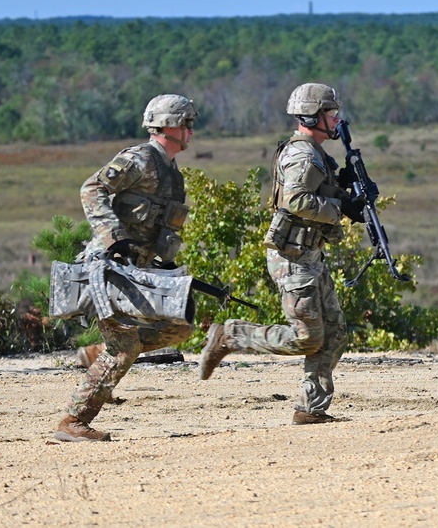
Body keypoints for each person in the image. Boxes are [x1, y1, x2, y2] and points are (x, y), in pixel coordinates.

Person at [198, 82, 365, 425]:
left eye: (335, 114)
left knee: (333, 334)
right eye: (330, 114)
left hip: (310, 254)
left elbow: (316, 193)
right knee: (307, 338)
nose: (336, 120)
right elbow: (296, 200)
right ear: (311, 117)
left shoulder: (316, 153)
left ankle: (310, 409)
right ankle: (229, 335)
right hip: (292, 258)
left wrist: (346, 191)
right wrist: (341, 207)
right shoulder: (302, 155)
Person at [54, 93, 198, 442]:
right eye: (187, 123)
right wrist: (112, 238)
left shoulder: (171, 172)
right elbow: (92, 188)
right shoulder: (141, 159)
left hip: (139, 272)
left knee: (177, 328)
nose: (192, 131)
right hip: (109, 269)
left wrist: (164, 263)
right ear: (168, 126)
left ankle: (97, 355)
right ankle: (74, 422)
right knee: (126, 348)